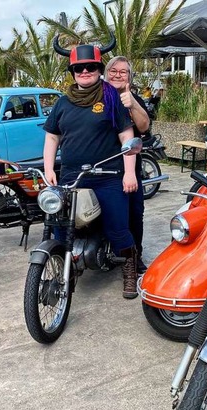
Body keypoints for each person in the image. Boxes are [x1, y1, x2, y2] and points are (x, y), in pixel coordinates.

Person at [47, 37, 139, 299]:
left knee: (117, 227)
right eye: (79, 68)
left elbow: (127, 135)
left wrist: (129, 172)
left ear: (99, 69)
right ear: (73, 72)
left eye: (90, 67)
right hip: (71, 176)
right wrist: (48, 168)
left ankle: (130, 266)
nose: (85, 72)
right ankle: (68, 267)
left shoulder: (111, 97)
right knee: (60, 226)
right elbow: (52, 136)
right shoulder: (63, 102)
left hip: (108, 175)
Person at [105, 55, 151, 274]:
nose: (117, 75)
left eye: (123, 72)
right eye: (113, 71)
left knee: (134, 213)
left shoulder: (133, 98)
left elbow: (143, 127)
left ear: (130, 76)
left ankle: (135, 255)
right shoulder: (97, 96)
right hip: (101, 165)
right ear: (105, 74)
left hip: (128, 167)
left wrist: (131, 103)